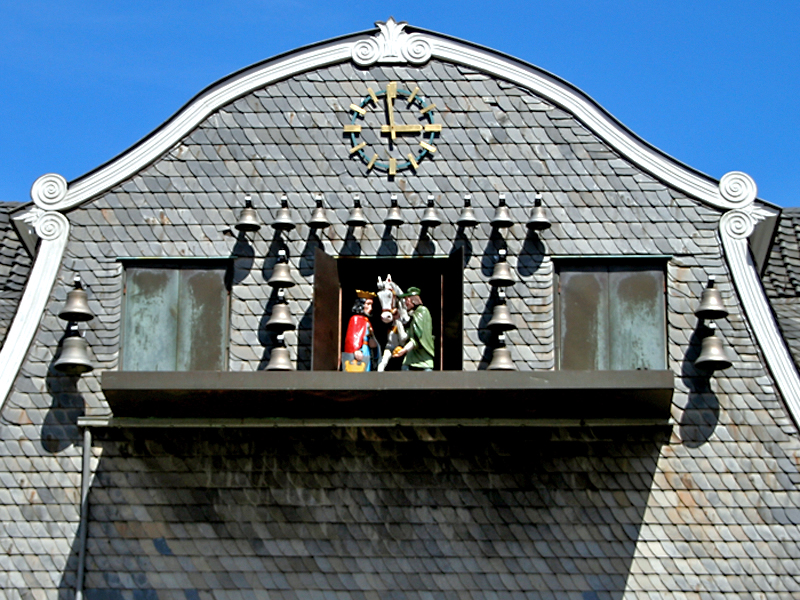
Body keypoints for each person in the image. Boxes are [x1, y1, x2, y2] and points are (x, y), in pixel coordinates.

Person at [393, 287, 435, 371]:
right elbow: (407, 336)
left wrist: (404, 350)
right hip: (412, 354)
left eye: (406, 300)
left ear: (413, 300)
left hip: (423, 355)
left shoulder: (422, 311)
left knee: (427, 374)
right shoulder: (413, 315)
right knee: (405, 367)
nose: (405, 303)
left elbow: (418, 337)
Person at [342, 290, 378, 372]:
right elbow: (352, 337)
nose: (370, 308)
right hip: (361, 350)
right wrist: (355, 349)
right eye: (368, 304)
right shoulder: (355, 319)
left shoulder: (366, 320)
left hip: (367, 350)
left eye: (371, 305)